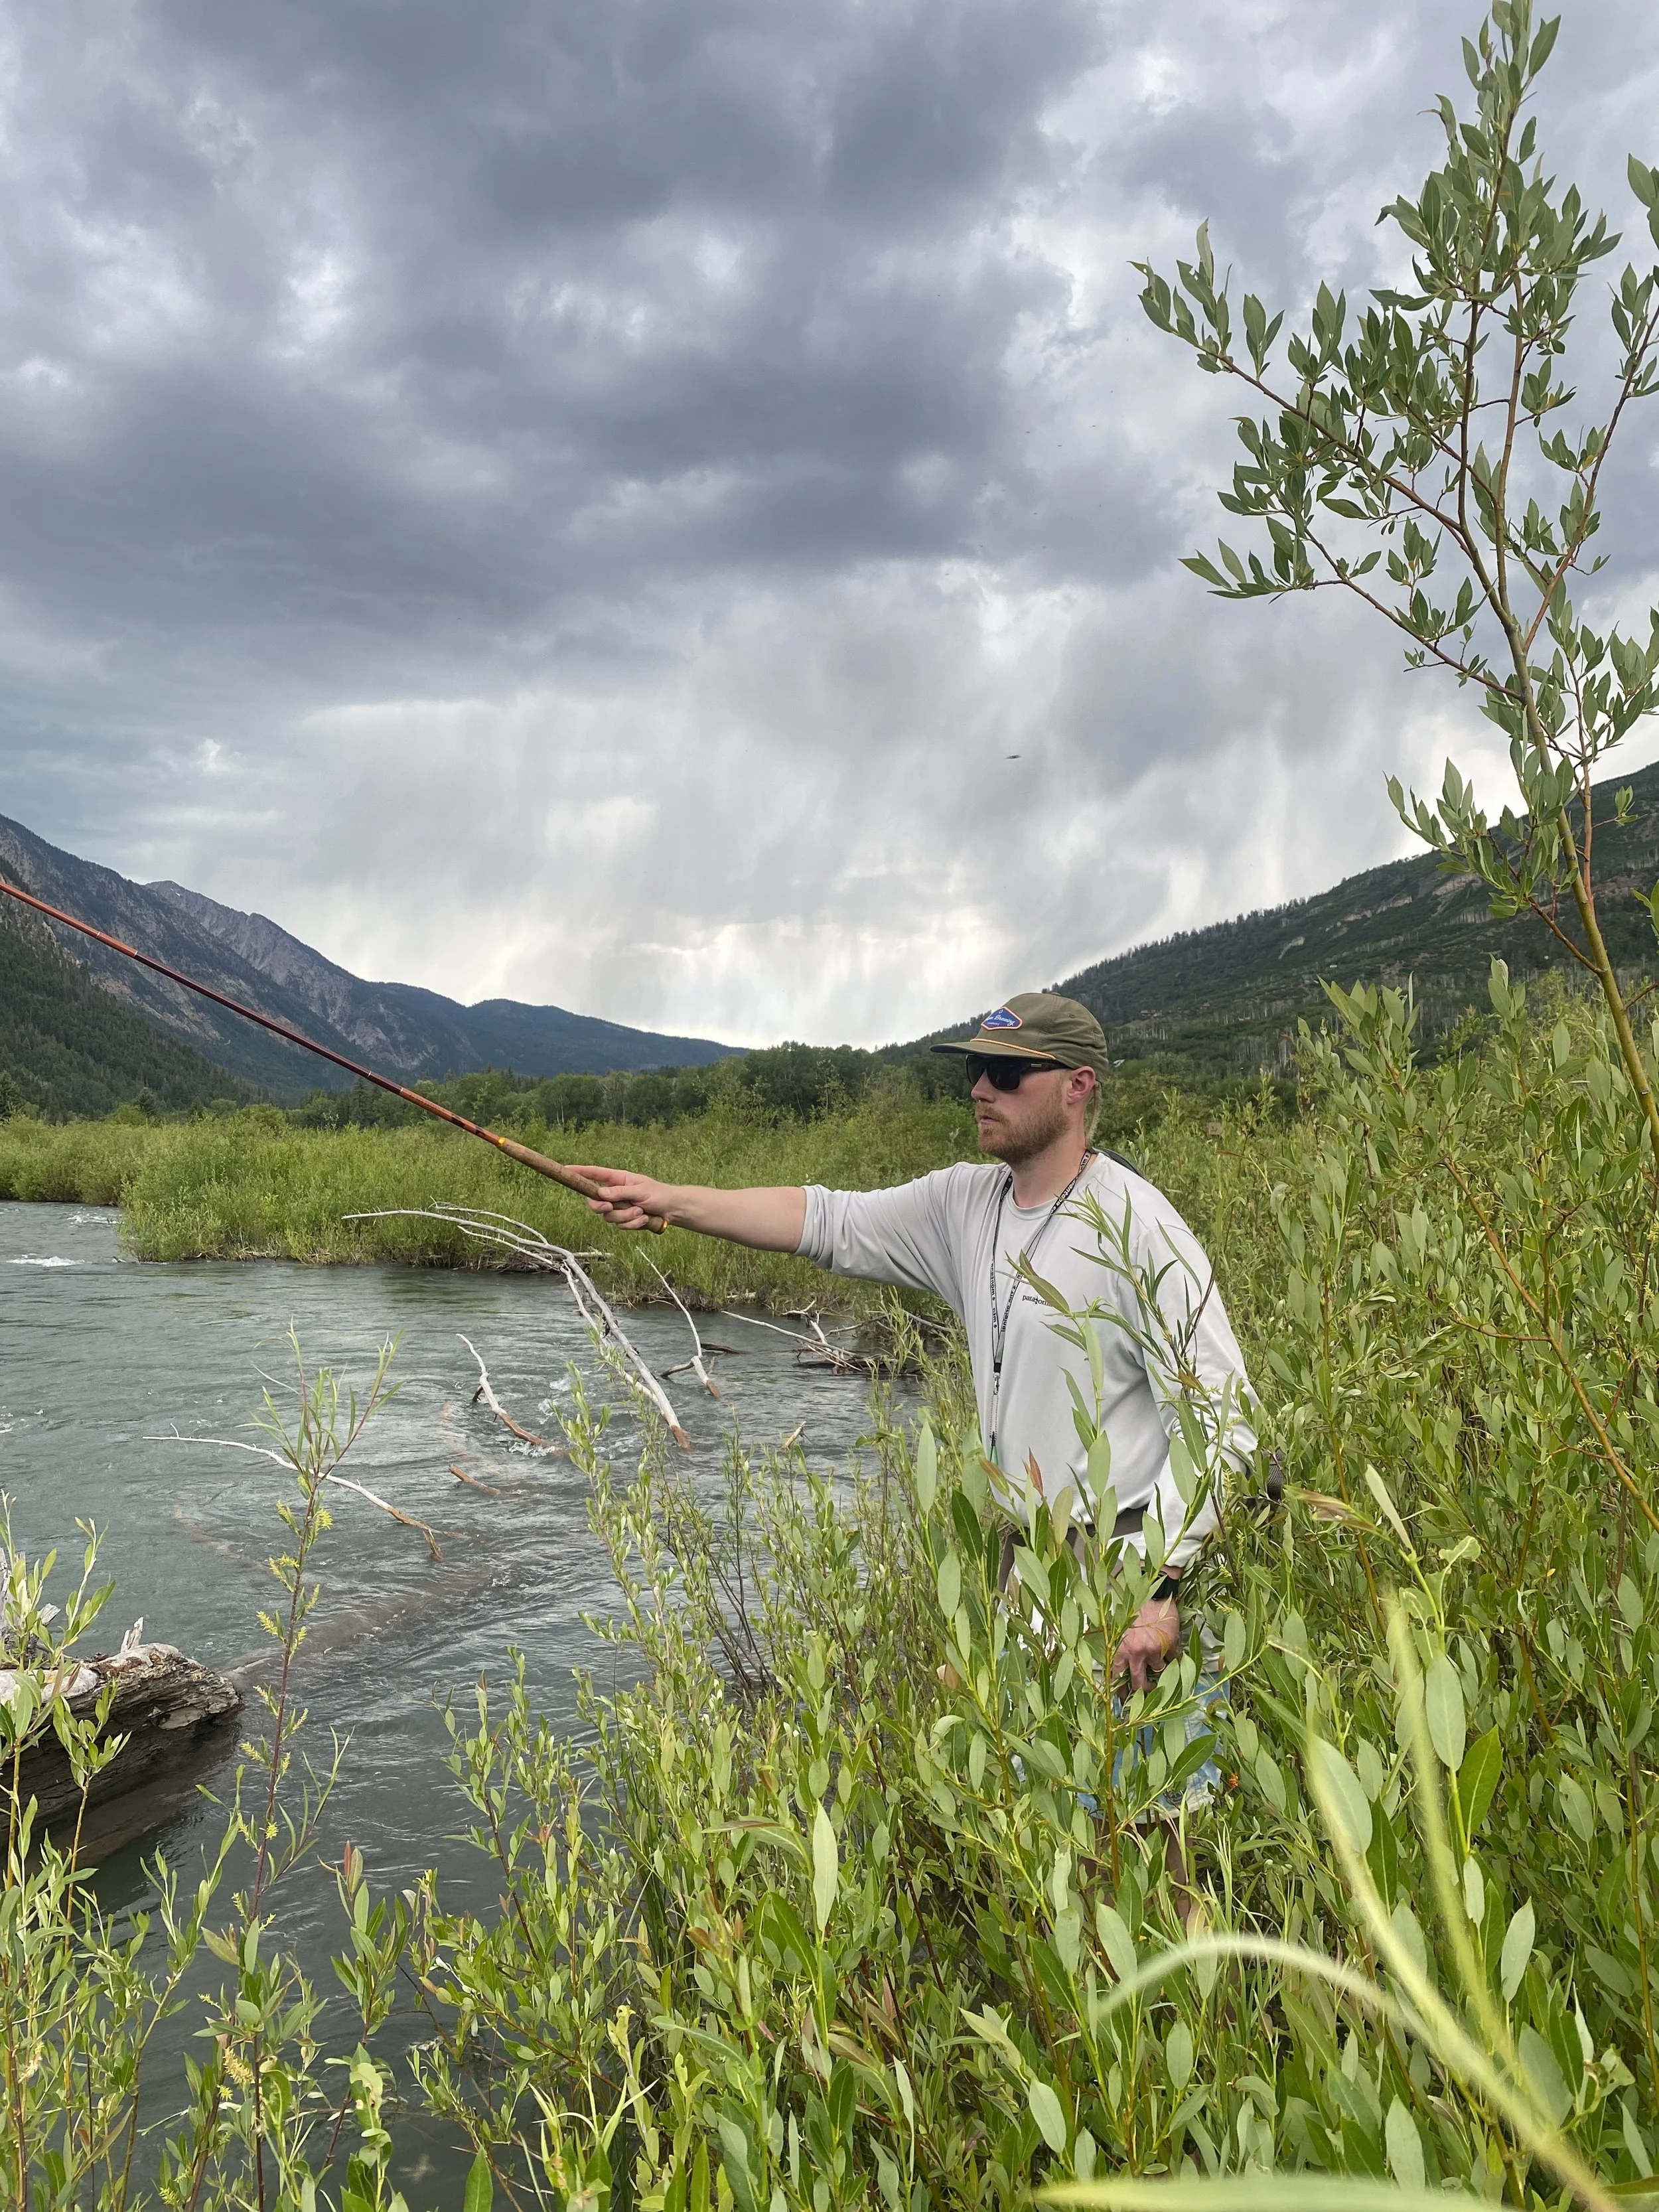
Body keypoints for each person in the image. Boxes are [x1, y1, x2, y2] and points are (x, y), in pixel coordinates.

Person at [575, 990, 1257, 1694]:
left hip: (1130, 1586)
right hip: (1031, 1572)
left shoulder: (1141, 1229)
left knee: (1154, 1806)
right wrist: (670, 1200)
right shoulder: (964, 1204)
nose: (982, 1089)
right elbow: (825, 1219)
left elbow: (1224, 1424)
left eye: (1007, 1073)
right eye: (974, 1071)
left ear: (1077, 1086)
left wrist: (1161, 1590)